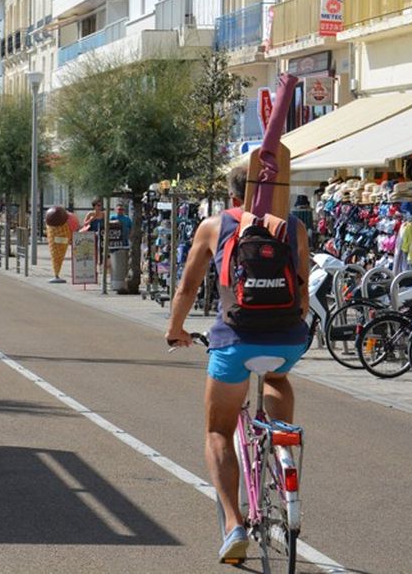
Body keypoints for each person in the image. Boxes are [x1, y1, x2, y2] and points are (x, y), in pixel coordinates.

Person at [164, 164, 311, 564]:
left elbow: (188, 286)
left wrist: (175, 329)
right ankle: (280, 450)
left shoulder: (213, 226)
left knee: (217, 430)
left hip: (235, 340)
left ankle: (233, 524)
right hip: (288, 339)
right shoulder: (293, 228)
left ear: (233, 195)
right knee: (276, 376)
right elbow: (303, 288)